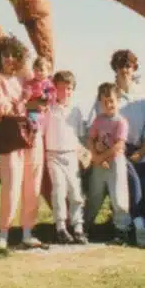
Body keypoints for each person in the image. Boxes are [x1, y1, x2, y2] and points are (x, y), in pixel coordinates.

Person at [88, 49, 145, 247]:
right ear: (115, 69)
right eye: (120, 66)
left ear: (134, 67)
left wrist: (143, 151)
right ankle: (135, 230)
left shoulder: (142, 96)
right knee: (130, 186)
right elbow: (97, 125)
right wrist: (98, 151)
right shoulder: (108, 95)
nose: (124, 70)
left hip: (139, 149)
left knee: (144, 187)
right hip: (116, 150)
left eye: (127, 66)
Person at [0, 36, 46, 249]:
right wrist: (21, 101)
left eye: (13, 55)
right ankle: (3, 235)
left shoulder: (26, 78)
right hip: (10, 137)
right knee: (11, 186)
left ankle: (28, 232)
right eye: (5, 55)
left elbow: (41, 98)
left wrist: (30, 100)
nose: (9, 59)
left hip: (33, 137)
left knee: (33, 185)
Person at [42, 70, 88, 244]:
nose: (65, 92)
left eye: (68, 88)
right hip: (53, 154)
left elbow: (79, 135)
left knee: (75, 192)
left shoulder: (75, 111)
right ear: (55, 90)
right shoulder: (49, 109)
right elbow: (43, 133)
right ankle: (60, 226)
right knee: (59, 190)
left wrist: (83, 154)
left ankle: (78, 227)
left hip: (71, 155)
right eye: (61, 88)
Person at [85, 82, 132, 243]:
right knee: (94, 195)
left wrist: (102, 157)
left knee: (118, 195)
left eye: (111, 100)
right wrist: (95, 155)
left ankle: (122, 230)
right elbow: (91, 139)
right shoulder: (98, 120)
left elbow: (119, 145)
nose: (108, 105)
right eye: (104, 102)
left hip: (115, 162)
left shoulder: (121, 121)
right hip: (99, 162)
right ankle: (84, 227)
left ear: (117, 100)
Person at [24, 55, 56, 130]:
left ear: (48, 72)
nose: (38, 73)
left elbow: (53, 94)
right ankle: (33, 127)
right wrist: (27, 92)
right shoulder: (31, 82)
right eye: (36, 70)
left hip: (44, 106)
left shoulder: (48, 83)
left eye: (41, 70)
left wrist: (46, 95)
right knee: (32, 116)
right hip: (33, 107)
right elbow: (26, 91)